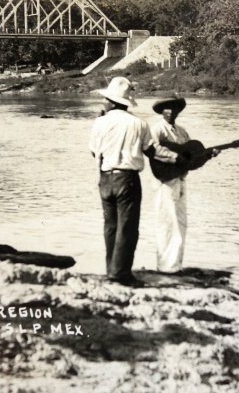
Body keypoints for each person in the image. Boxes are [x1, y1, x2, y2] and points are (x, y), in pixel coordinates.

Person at [89, 77, 183, 287]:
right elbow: (152, 151)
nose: (104, 102)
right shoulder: (138, 123)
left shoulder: (100, 121)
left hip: (105, 178)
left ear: (112, 102)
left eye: (106, 99)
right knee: (128, 227)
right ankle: (120, 273)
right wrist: (176, 158)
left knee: (110, 226)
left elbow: (94, 151)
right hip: (127, 178)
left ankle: (111, 269)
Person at [150, 95, 217, 273]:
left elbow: (190, 160)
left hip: (180, 179)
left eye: (174, 108)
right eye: (167, 108)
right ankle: (165, 267)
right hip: (164, 181)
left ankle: (176, 265)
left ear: (179, 111)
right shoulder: (157, 130)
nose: (171, 112)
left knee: (180, 223)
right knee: (166, 222)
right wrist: (175, 157)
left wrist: (206, 156)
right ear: (161, 111)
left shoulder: (182, 132)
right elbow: (153, 150)